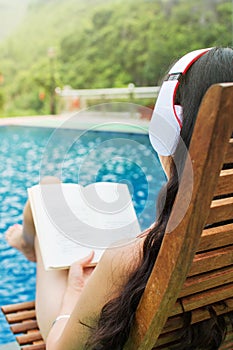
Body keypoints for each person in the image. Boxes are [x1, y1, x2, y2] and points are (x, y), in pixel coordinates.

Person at [5, 47, 233, 350]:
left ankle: (31, 245)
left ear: (167, 130)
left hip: (73, 324)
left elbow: (60, 348)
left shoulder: (129, 258)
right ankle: (31, 241)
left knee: (46, 194)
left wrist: (74, 293)